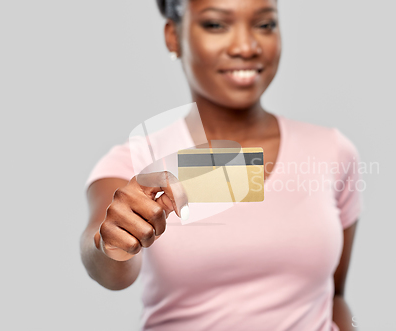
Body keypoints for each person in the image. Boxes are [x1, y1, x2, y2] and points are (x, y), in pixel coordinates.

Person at [80, 0, 364, 330]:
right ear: (173, 36)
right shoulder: (135, 160)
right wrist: (111, 241)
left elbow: (335, 297)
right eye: (216, 24)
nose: (246, 46)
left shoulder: (332, 150)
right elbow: (107, 266)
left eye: (265, 24)